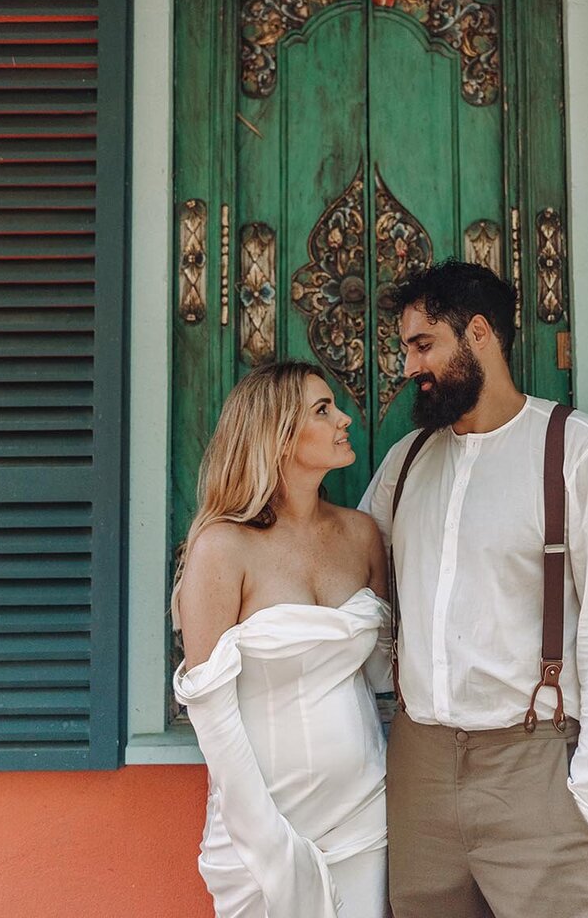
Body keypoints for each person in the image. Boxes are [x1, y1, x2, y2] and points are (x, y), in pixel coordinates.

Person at [359, 260, 588, 918]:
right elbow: (364, 598)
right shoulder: (405, 462)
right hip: (419, 772)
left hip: (536, 770)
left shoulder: (580, 453)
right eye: (406, 348)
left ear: (480, 334)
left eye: (423, 345)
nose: (410, 366)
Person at [172, 360, 391, 918]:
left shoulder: (361, 534)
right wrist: (268, 843)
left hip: (365, 810)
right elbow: (213, 714)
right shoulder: (222, 548)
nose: (344, 419)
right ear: (277, 434)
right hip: (262, 821)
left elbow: (384, 671)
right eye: (323, 410)